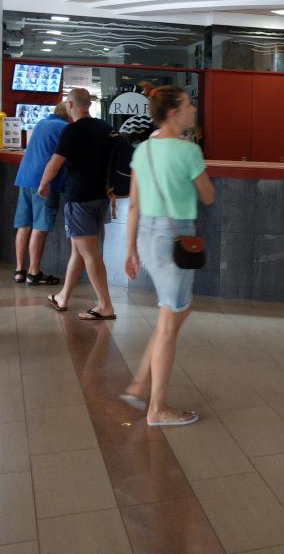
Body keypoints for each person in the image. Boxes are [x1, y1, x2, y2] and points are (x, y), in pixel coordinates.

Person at [120, 86, 215, 427]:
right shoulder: (188, 151)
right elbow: (208, 196)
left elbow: (133, 204)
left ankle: (139, 382)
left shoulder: (143, 149)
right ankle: (157, 408)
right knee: (168, 324)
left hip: (148, 236)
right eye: (188, 104)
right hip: (175, 237)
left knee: (175, 312)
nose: (193, 110)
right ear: (174, 113)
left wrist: (130, 250)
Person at [40, 87, 117, 321]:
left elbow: (54, 164)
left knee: (90, 253)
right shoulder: (105, 127)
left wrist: (43, 184)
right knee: (79, 250)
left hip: (79, 198)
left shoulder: (72, 131)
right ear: (89, 104)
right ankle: (63, 296)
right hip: (101, 197)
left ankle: (105, 305)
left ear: (71, 105)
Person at [12, 101, 70, 285]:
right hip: (44, 182)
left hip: (25, 178)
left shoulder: (41, 123)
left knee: (24, 225)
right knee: (40, 227)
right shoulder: (65, 128)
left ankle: (19, 270)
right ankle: (34, 273)